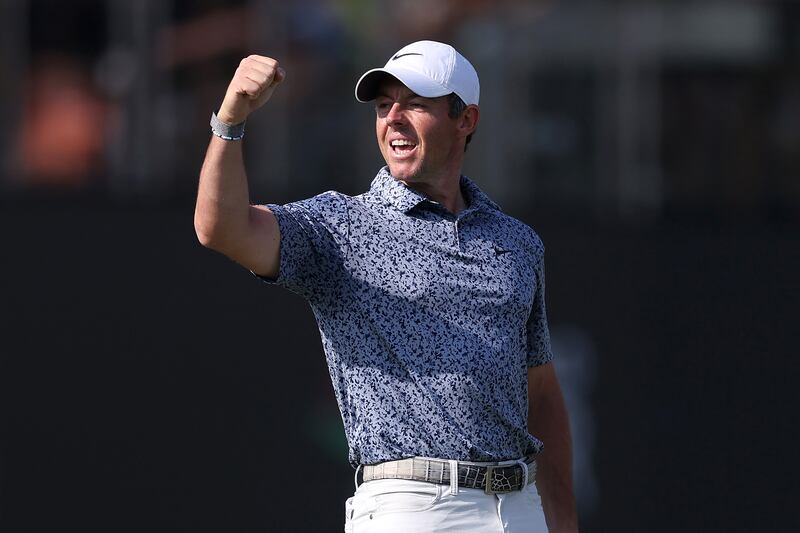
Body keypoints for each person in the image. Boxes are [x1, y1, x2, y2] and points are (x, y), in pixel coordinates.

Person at [195, 40, 578, 533]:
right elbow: (220, 228)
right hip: (411, 509)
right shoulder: (341, 227)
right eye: (383, 106)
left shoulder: (516, 244)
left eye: (415, 103)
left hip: (518, 508)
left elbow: (541, 394)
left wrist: (562, 521)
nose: (393, 117)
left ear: (466, 120)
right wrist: (229, 121)